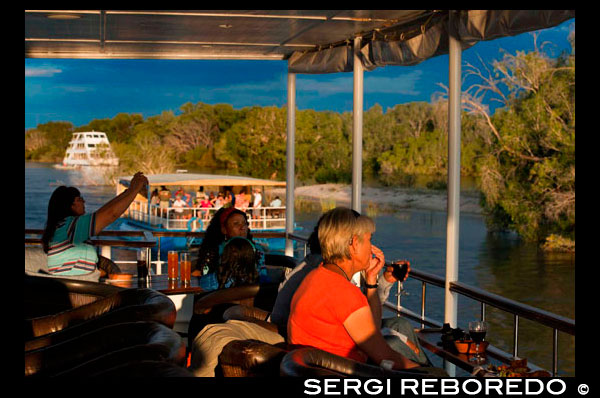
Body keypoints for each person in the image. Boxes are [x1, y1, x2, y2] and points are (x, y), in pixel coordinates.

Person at [269, 212, 430, 366]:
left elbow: (368, 325)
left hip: (318, 362)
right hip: (347, 370)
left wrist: (372, 280)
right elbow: (383, 355)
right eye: (369, 239)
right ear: (354, 243)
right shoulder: (341, 290)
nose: (372, 247)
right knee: (405, 351)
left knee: (399, 326)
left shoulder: (319, 273)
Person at [41, 171, 148, 277]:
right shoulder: (71, 226)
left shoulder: (63, 227)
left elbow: (104, 211)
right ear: (70, 206)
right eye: (79, 199)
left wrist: (129, 191)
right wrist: (134, 190)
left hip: (75, 286)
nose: (84, 202)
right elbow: (111, 214)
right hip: (79, 289)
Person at [192, 207, 267, 286]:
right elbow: (205, 271)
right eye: (236, 224)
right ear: (224, 229)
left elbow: (205, 279)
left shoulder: (258, 250)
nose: (243, 227)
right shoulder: (213, 251)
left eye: (244, 223)